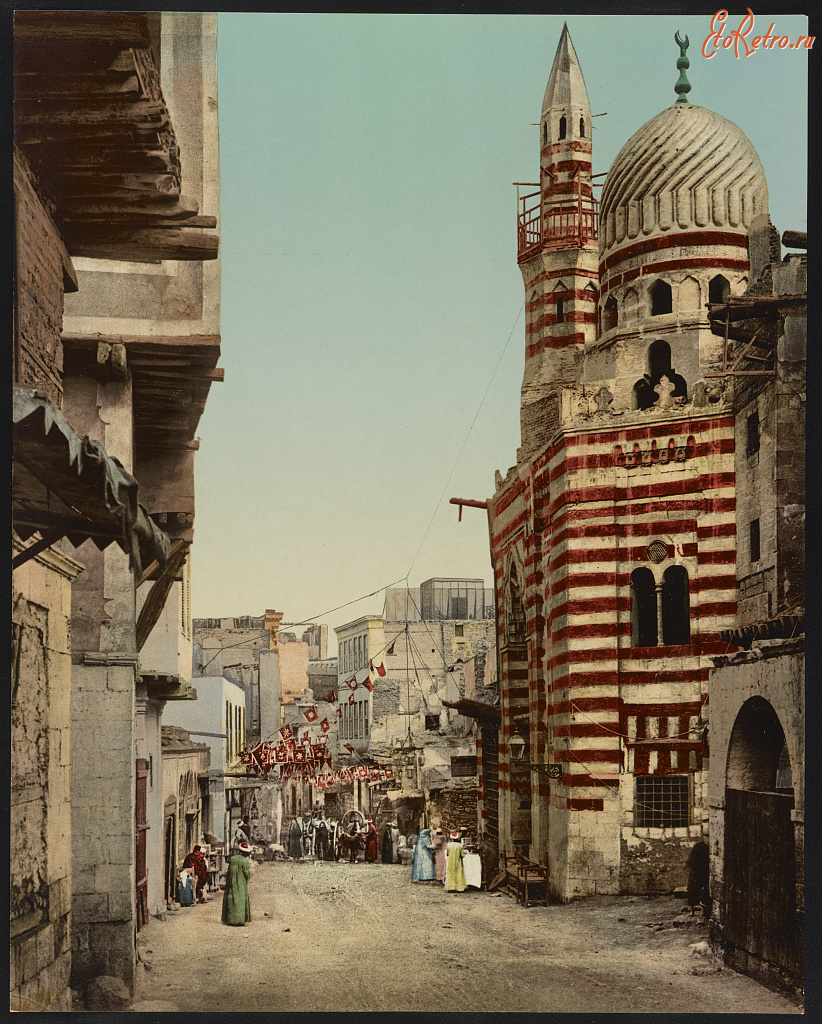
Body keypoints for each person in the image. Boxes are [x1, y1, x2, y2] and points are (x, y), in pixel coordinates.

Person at [221, 841, 251, 927]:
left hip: (231, 882)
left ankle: (230, 919)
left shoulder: (232, 859)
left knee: (231, 900)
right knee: (240, 900)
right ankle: (239, 920)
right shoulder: (245, 861)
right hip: (241, 883)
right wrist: (247, 878)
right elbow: (246, 873)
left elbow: (229, 871)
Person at [686, 841, 710, 916]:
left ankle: (695, 910)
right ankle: (702, 910)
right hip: (700, 873)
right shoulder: (702, 847)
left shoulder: (700, 847)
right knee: (698, 891)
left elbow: (690, 862)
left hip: (698, 873)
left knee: (694, 891)